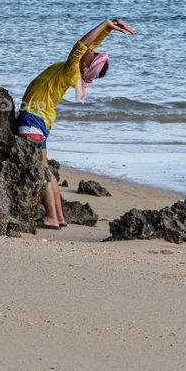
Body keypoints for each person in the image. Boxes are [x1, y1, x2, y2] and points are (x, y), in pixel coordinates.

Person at [16, 18, 135, 229]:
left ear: (87, 63)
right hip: (39, 118)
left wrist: (105, 23)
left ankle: (52, 217)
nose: (92, 49)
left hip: (33, 118)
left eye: (93, 53)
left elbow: (81, 45)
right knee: (45, 168)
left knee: (40, 169)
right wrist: (109, 29)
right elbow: (90, 45)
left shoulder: (71, 68)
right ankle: (58, 216)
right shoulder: (76, 69)